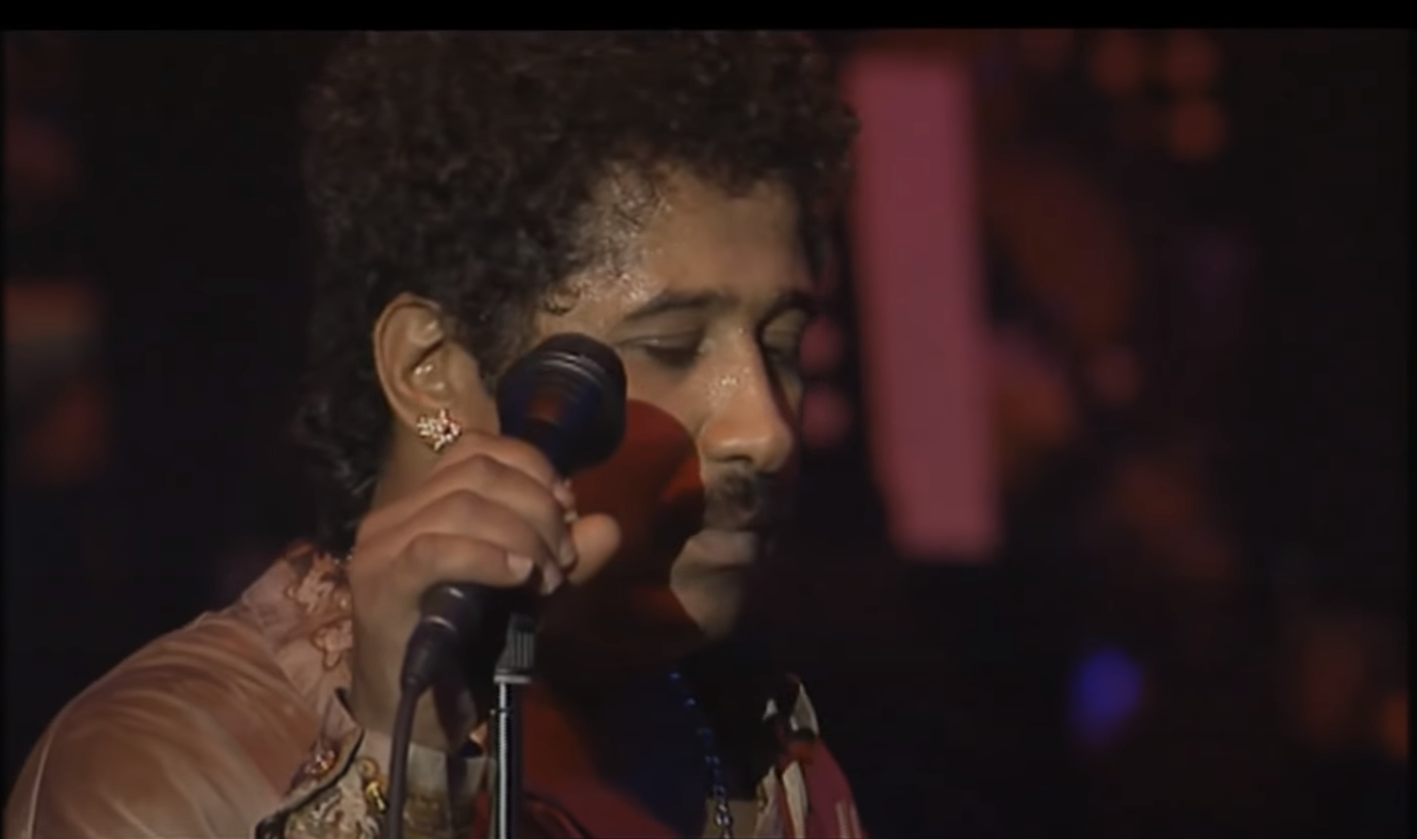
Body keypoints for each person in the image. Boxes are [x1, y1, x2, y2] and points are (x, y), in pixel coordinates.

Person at [5, 31, 864, 839]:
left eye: (782, 346)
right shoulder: (159, 771)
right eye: (670, 345)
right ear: (431, 371)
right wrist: (401, 767)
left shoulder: (763, 753)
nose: (766, 430)